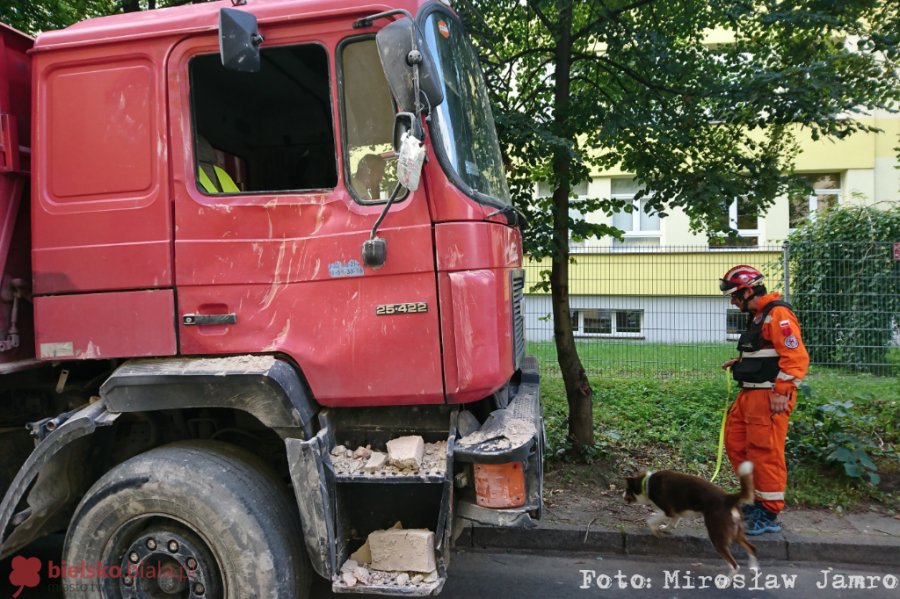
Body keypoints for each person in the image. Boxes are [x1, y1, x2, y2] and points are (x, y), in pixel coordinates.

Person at [719, 265, 809, 535]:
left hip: (769, 396)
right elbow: (767, 352)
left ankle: (769, 513)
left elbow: (796, 358)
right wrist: (742, 363)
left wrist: (782, 391)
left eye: (735, 296)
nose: (733, 302)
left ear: (748, 291)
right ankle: (756, 500)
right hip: (750, 393)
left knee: (765, 452)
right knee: (736, 443)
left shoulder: (778, 314)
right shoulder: (759, 317)